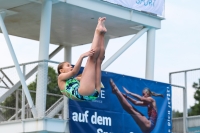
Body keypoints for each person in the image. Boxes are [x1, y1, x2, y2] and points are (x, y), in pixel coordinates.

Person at [57, 17, 107, 101]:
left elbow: (82, 77)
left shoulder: (73, 80)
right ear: (61, 70)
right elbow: (74, 72)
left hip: (93, 93)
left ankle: (102, 34)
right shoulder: (61, 77)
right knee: (91, 59)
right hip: (84, 92)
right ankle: (97, 31)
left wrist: (81, 77)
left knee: (99, 60)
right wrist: (82, 56)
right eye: (68, 65)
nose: (71, 66)